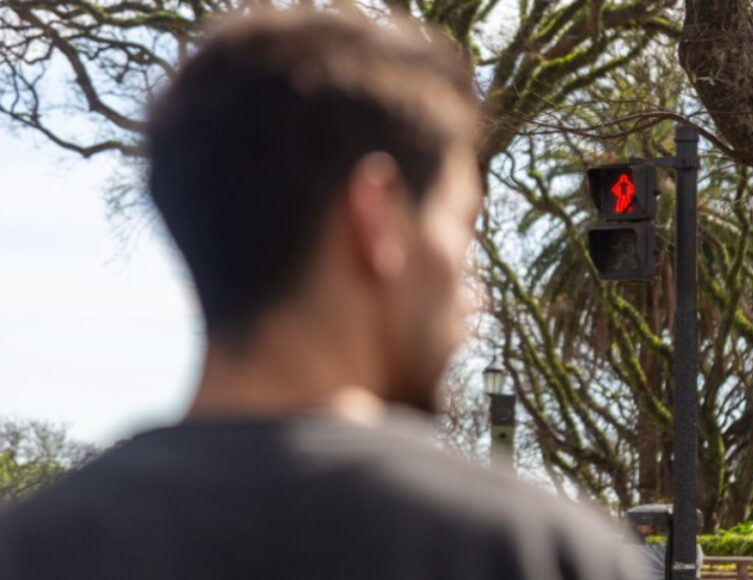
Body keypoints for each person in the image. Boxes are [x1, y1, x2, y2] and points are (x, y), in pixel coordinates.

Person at [0, 9, 642, 580]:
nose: (473, 295)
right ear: (379, 216)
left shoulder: (26, 548)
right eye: (461, 225)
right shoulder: (542, 554)